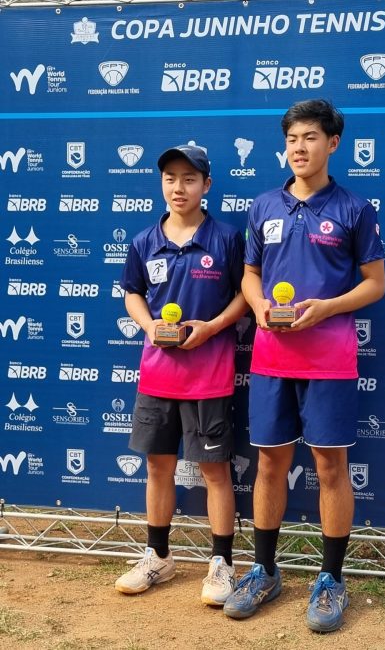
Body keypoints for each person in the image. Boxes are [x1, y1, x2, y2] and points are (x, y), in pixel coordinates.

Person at [223, 100, 385, 631]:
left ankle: (332, 579)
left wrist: (327, 308)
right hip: (271, 358)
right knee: (269, 463)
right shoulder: (263, 205)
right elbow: (250, 273)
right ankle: (264, 571)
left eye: (311, 137)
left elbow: (375, 284)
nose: (299, 147)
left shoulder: (355, 209)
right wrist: (258, 305)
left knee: (330, 467)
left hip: (330, 359)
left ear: (333, 143)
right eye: (292, 138)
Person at [115, 144, 247, 606]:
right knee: (157, 466)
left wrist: (212, 326)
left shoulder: (227, 239)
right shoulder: (143, 241)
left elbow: (246, 295)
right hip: (157, 375)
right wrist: (149, 326)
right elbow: (132, 292)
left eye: (189, 179)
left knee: (215, 470)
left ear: (206, 185)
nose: (178, 187)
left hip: (209, 374)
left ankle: (222, 563)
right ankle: (158, 555)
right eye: (170, 178)